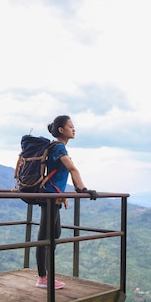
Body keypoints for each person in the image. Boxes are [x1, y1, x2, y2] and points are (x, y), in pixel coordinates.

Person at [35, 115, 98, 289]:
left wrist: (62, 195)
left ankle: (46, 275)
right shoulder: (59, 148)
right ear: (61, 130)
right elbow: (72, 169)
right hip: (48, 197)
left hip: (53, 197)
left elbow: (58, 174)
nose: (74, 129)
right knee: (44, 237)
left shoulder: (57, 148)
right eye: (70, 126)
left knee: (54, 233)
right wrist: (83, 190)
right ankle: (43, 278)